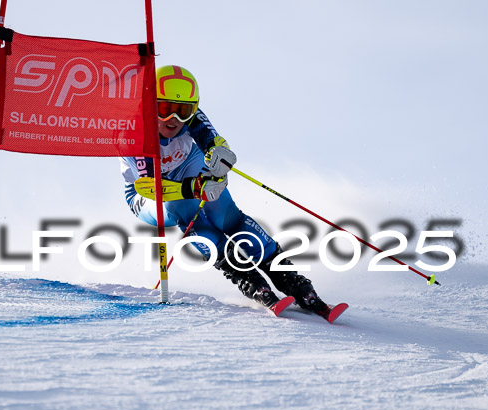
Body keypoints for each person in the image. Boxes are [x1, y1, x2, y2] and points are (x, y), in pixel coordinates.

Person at [120, 65, 333, 317]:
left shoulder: (194, 118)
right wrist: (196, 187)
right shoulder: (131, 130)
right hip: (145, 195)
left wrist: (220, 163)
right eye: (165, 109)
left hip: (188, 164)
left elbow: (217, 145)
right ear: (150, 104)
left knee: (224, 213)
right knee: (183, 208)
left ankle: (289, 278)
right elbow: (150, 188)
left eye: (183, 111)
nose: (173, 120)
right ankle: (247, 277)